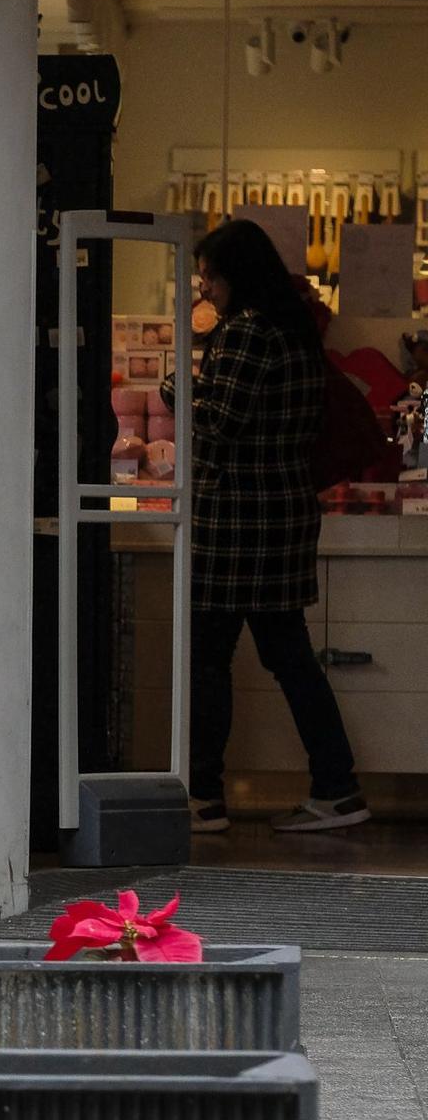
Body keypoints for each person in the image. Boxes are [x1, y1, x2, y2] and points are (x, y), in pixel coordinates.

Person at [180, 218, 369, 834]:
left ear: (236, 275)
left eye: (210, 276)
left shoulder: (246, 332)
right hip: (283, 512)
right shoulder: (293, 329)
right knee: (289, 655)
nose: (204, 289)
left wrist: (176, 391)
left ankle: (203, 796)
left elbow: (218, 426)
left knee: (208, 657)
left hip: (237, 519)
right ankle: (337, 787)